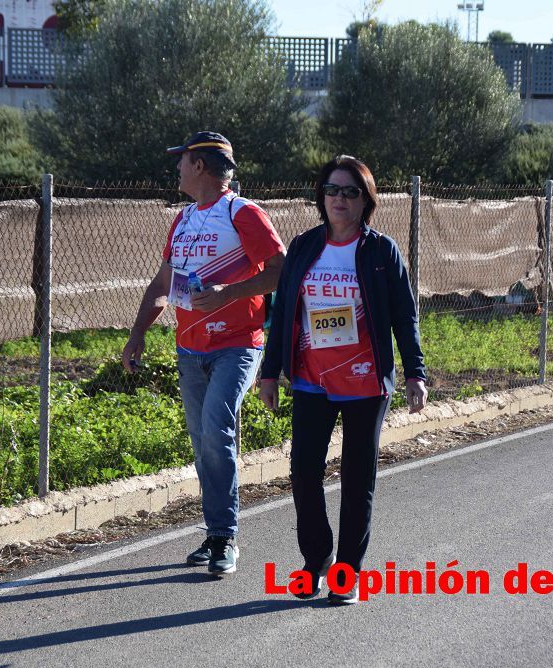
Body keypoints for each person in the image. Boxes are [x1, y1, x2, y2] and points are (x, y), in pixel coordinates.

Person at [259, 155, 427, 605]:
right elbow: (284, 313)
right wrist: (269, 372)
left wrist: (415, 372)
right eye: (332, 190)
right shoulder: (303, 247)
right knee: (304, 472)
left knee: (358, 478)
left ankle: (347, 573)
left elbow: (404, 316)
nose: (339, 198)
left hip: (365, 382)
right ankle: (315, 563)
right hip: (312, 379)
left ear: (365, 200)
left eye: (350, 191)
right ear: (321, 197)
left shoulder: (380, 251)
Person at [122, 131, 285, 577]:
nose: (176, 168)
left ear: (202, 166)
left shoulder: (243, 213)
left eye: (183, 160)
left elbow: (281, 271)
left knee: (216, 430)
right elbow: (162, 285)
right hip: (189, 349)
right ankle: (215, 534)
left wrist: (228, 293)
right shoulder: (183, 219)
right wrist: (138, 334)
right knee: (202, 441)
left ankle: (227, 535)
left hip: (238, 344)